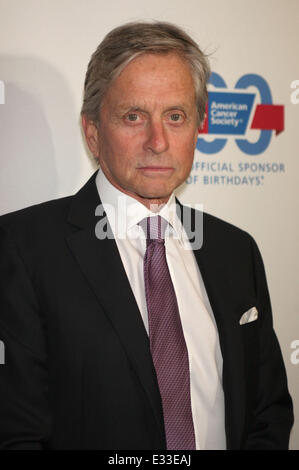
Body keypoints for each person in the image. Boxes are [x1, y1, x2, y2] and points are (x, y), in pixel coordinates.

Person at [0, 21, 293, 450]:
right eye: (133, 116)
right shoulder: (21, 248)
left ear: (198, 128)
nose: (157, 141)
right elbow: (16, 432)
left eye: (175, 116)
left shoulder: (236, 250)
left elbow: (267, 410)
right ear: (93, 133)